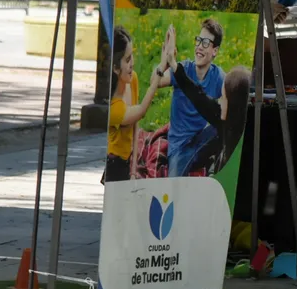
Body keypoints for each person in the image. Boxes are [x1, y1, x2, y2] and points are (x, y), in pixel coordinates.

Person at [160, 30, 250, 176]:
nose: (219, 101)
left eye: (223, 98)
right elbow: (198, 97)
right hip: (184, 145)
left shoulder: (237, 138)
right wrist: (173, 64)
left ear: (234, 105)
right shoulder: (223, 119)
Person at [154, 18, 226, 178]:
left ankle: (215, 165)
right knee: (173, 186)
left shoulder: (218, 76)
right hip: (179, 147)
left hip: (200, 140)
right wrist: (163, 62)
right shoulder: (183, 68)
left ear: (215, 50)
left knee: (224, 126)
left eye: (206, 43)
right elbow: (156, 82)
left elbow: (233, 98)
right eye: (199, 40)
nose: (199, 46)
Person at [106, 26, 160, 183]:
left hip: (128, 162)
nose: (132, 63)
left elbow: (136, 125)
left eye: (132, 56)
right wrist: (158, 75)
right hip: (114, 165)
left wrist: (134, 170)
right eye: (127, 60)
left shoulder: (133, 79)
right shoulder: (114, 108)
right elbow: (141, 111)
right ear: (116, 68)